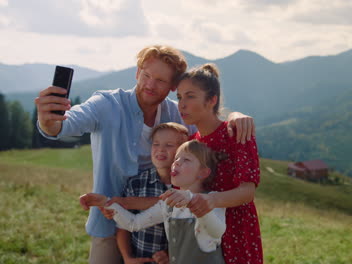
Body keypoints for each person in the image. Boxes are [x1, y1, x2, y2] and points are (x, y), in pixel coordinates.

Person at [34, 45, 255, 264]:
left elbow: (207, 129)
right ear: (137, 72)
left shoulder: (177, 113)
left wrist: (236, 116)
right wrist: (48, 121)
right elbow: (65, 124)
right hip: (109, 222)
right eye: (146, 75)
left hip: (164, 232)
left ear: (171, 87)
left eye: (160, 80)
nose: (150, 84)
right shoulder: (106, 104)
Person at [81, 140, 227, 264]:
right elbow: (134, 223)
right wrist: (107, 202)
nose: (176, 163)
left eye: (186, 160)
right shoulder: (168, 203)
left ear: (203, 172)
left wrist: (193, 200)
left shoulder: (212, 199)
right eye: (176, 158)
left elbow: (217, 231)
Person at [173, 63, 263, 263]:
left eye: (190, 96)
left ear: (212, 100)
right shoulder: (190, 143)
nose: (182, 104)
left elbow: (247, 192)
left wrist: (211, 200)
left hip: (235, 231)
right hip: (201, 233)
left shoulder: (237, 134)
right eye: (179, 97)